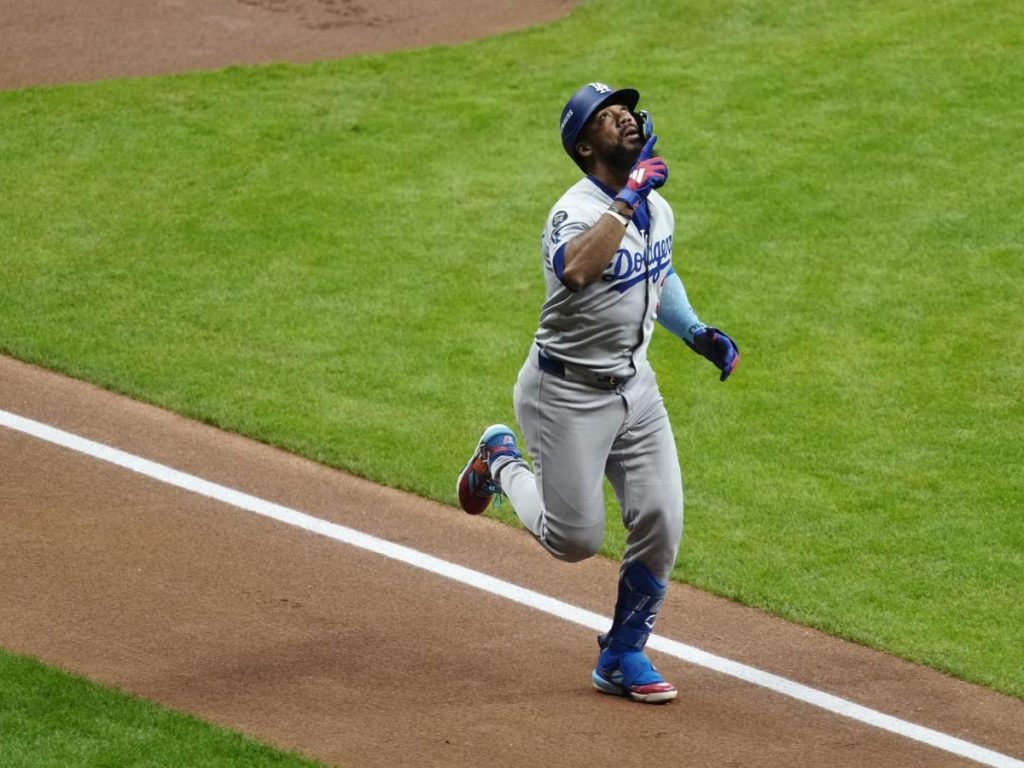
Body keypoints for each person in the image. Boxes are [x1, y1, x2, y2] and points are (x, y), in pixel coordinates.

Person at [456, 82, 739, 704]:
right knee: (574, 540)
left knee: (662, 518)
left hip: (636, 389)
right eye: (609, 119)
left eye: (628, 112)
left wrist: (695, 332)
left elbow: (657, 273)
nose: (627, 120)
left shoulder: (657, 209)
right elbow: (578, 269)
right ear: (586, 147)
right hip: (565, 395)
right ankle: (499, 460)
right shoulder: (576, 212)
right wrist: (629, 198)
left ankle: (622, 652)